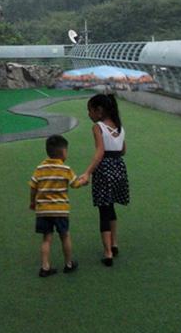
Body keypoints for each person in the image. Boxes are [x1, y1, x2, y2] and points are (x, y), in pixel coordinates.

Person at [76, 94, 130, 267]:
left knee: (103, 211)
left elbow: (99, 152)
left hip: (104, 171)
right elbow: (122, 150)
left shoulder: (98, 127)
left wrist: (87, 173)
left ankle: (107, 253)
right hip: (119, 169)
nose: (89, 114)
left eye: (89, 110)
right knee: (111, 206)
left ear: (99, 111)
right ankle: (114, 244)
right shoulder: (120, 127)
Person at [29, 134, 81, 277]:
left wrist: (32, 202)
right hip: (61, 210)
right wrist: (84, 179)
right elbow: (75, 184)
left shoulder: (40, 168)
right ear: (63, 152)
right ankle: (68, 264)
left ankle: (45, 267)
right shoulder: (65, 169)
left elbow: (33, 186)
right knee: (65, 236)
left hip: (43, 211)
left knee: (46, 238)